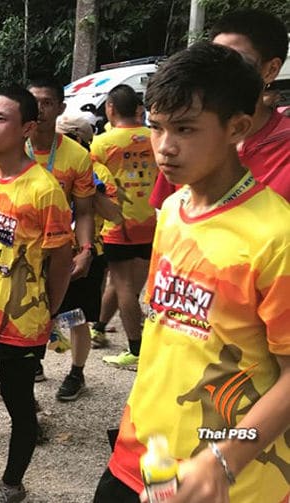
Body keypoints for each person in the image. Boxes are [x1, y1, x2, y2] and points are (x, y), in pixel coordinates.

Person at [94, 41, 290, 503]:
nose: (165, 147)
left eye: (185, 129)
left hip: (232, 480)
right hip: (141, 454)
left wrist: (225, 460)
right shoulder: (174, 208)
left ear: (236, 128)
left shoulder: (275, 235)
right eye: (157, 128)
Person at [0, 86, 73, 502]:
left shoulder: (44, 190)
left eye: (2, 119)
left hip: (23, 320)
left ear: (28, 128)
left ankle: (12, 483)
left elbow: (61, 264)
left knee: (18, 403)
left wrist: (47, 311)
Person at [149, 9, 290, 206]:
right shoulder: (178, 142)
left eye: (239, 61)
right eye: (212, 60)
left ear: (271, 69)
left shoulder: (285, 148)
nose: (220, 72)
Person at [25, 78, 97, 399]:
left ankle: (77, 372)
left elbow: (84, 211)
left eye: (47, 103)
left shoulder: (77, 157)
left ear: (60, 108)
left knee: (75, 314)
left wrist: (85, 249)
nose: (39, 110)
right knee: (25, 312)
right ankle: (30, 365)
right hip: (23, 255)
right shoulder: (10, 150)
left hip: (63, 254)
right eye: (33, 102)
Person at [89, 84, 156, 370]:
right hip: (151, 221)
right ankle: (100, 329)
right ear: (138, 109)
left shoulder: (102, 143)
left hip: (118, 222)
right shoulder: (155, 137)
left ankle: (136, 348)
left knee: (124, 285)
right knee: (123, 283)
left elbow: (92, 184)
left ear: (111, 109)